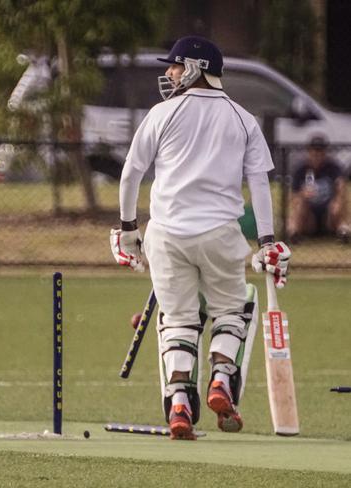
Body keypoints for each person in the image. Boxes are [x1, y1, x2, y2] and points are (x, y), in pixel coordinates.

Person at [109, 36, 291, 440]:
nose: (170, 72)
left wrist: (127, 230)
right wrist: (266, 240)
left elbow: (131, 173)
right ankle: (221, 381)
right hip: (220, 234)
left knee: (177, 320)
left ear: (196, 67)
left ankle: (177, 401)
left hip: (166, 234)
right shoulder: (244, 119)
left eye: (175, 65)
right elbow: (259, 184)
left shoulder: (162, 113)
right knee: (230, 312)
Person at [287, 135, 349, 243]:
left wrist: (338, 201)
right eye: (314, 150)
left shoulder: (333, 167)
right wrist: (302, 194)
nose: (317, 153)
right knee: (300, 204)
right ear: (309, 151)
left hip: (328, 213)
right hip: (309, 215)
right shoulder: (301, 169)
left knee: (338, 204)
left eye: (321, 150)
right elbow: (292, 197)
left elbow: (341, 185)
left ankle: (343, 231)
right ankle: (294, 233)